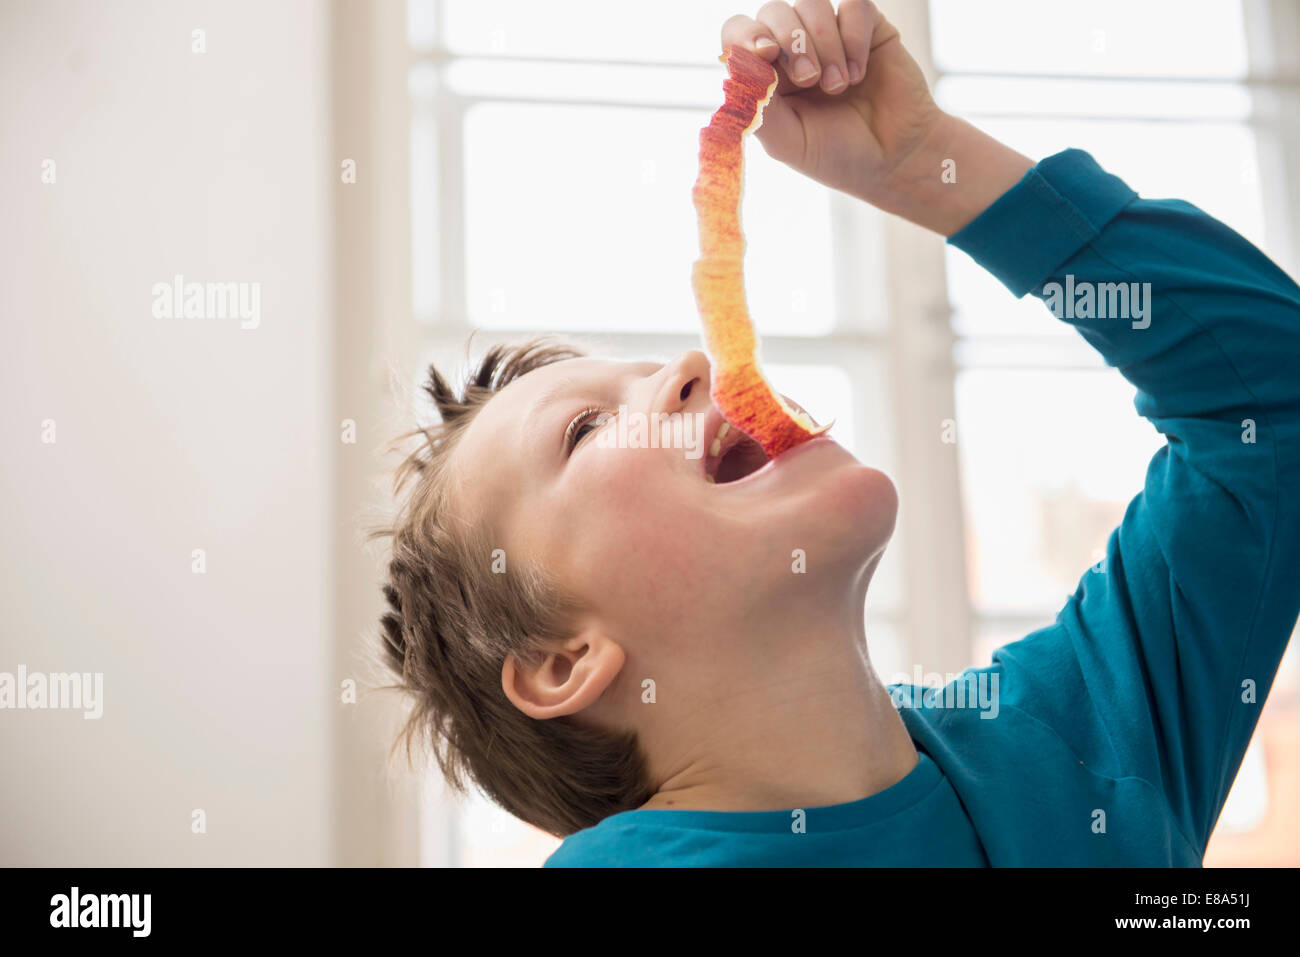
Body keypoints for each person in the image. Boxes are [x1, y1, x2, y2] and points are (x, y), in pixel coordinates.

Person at [373, 0, 1300, 865]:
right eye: (582, 430)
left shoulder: (1077, 743)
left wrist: (928, 164)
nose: (691, 366)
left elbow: (1268, 397)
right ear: (564, 660)